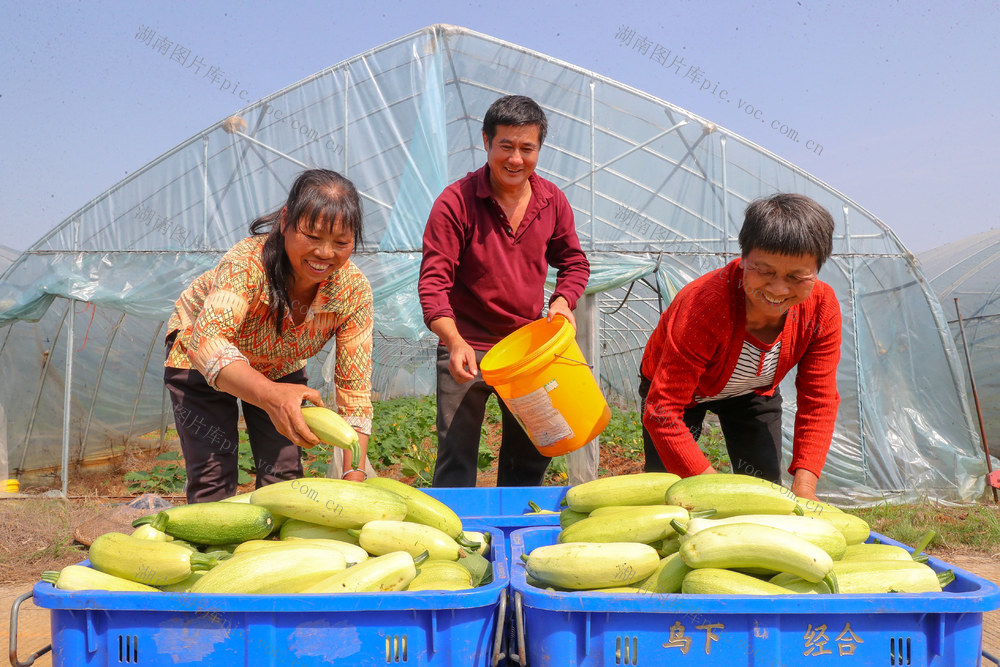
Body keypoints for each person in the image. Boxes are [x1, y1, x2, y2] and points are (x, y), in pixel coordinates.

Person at [164, 169, 374, 503]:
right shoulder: (247, 264)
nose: (324, 253)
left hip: (280, 365)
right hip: (199, 360)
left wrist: (354, 473)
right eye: (313, 236)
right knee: (213, 480)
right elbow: (210, 344)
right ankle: (213, 549)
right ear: (286, 221)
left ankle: (278, 550)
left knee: (285, 481)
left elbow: (355, 394)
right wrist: (271, 396)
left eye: (341, 243)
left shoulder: (353, 291)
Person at [418, 95, 591, 488]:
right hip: (467, 346)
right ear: (486, 142)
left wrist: (562, 302)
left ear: (539, 149)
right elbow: (434, 282)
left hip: (527, 350)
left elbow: (575, 262)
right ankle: (458, 542)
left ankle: (516, 539)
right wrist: (453, 340)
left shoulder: (552, 201)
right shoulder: (455, 203)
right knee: (456, 459)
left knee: (529, 457)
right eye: (506, 147)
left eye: (527, 149)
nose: (516, 159)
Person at [639, 193, 840, 501]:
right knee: (672, 494)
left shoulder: (821, 307)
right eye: (764, 271)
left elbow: (819, 399)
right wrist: (714, 489)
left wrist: (805, 490)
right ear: (744, 258)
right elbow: (662, 410)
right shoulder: (705, 304)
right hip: (681, 397)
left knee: (765, 492)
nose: (778, 289)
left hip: (752, 393)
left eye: (796, 276)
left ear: (816, 270)